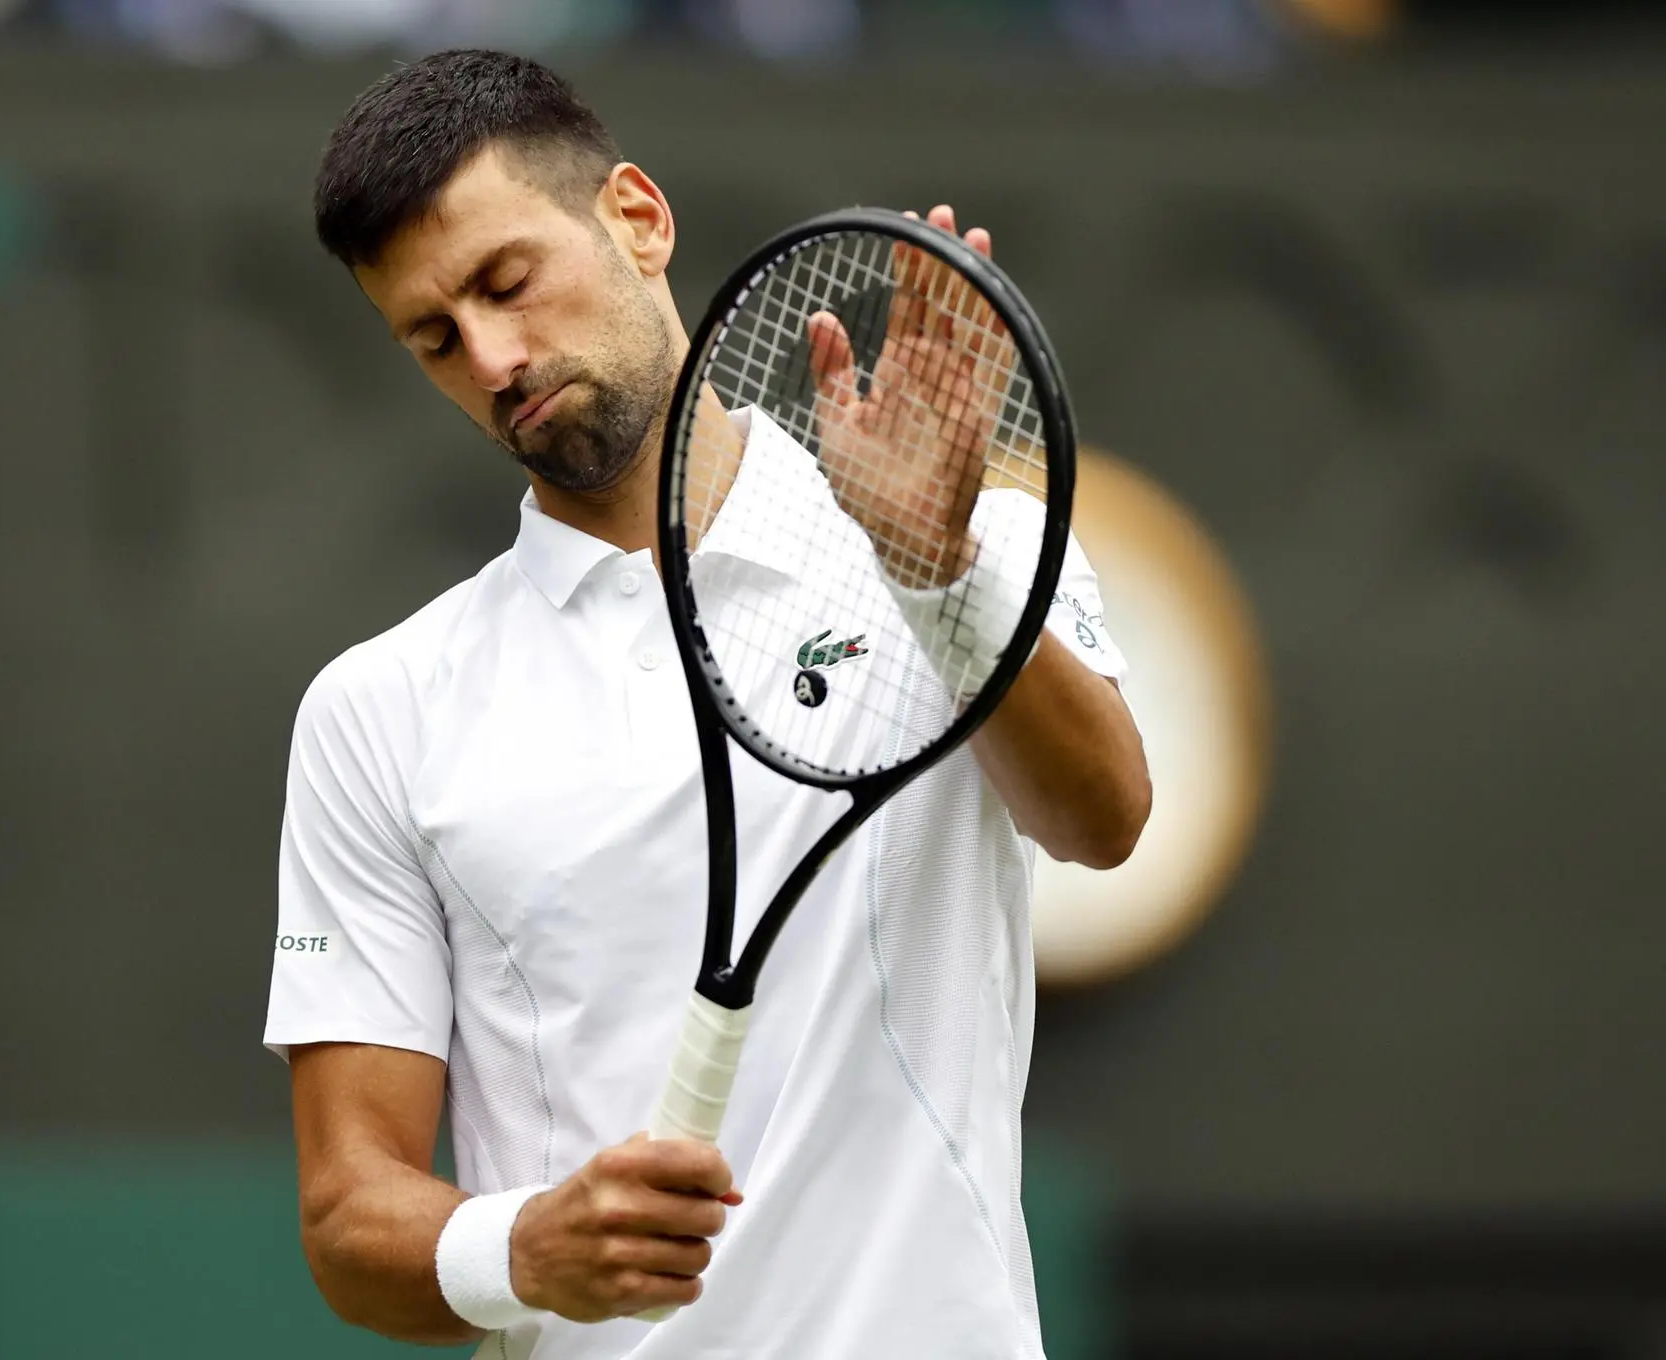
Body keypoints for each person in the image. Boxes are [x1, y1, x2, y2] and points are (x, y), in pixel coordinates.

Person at [266, 48, 1151, 1360]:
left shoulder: (979, 538)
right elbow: (350, 1221)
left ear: (636, 217)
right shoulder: (376, 712)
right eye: (435, 337)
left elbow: (1102, 816)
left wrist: (934, 573)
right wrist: (521, 1248)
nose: (496, 360)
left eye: (508, 282)